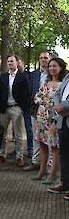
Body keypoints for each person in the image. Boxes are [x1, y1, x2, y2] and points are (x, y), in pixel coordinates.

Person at [32, 58, 67, 184]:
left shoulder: (63, 85)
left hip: (54, 118)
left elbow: (58, 103)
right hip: (42, 117)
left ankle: (52, 174)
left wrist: (46, 101)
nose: (52, 68)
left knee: (55, 146)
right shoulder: (46, 83)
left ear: (61, 68)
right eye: (50, 66)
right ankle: (42, 171)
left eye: (55, 66)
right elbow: (37, 98)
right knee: (42, 144)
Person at [0, 55, 30, 167]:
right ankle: (1, 154)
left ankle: (19, 157)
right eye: (8, 61)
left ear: (17, 63)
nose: (10, 63)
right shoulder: (4, 76)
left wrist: (23, 108)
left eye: (12, 61)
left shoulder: (23, 76)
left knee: (18, 134)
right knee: (3, 133)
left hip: (17, 108)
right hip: (4, 108)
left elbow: (27, 93)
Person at [24, 51, 51, 171]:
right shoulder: (34, 74)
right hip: (35, 109)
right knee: (36, 135)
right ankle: (36, 161)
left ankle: (49, 164)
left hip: (50, 111)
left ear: (50, 59)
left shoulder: (54, 73)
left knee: (49, 137)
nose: (43, 60)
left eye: (46, 58)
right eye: (41, 58)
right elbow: (30, 91)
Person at [47, 64, 69, 196]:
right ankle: (65, 183)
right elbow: (57, 94)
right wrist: (58, 106)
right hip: (63, 120)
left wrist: (64, 106)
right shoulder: (67, 76)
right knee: (64, 154)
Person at [17, 56, 33, 158]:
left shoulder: (29, 75)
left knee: (29, 127)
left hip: (27, 105)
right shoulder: (12, 76)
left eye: (19, 63)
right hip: (17, 105)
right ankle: (18, 150)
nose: (18, 65)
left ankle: (30, 148)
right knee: (17, 129)